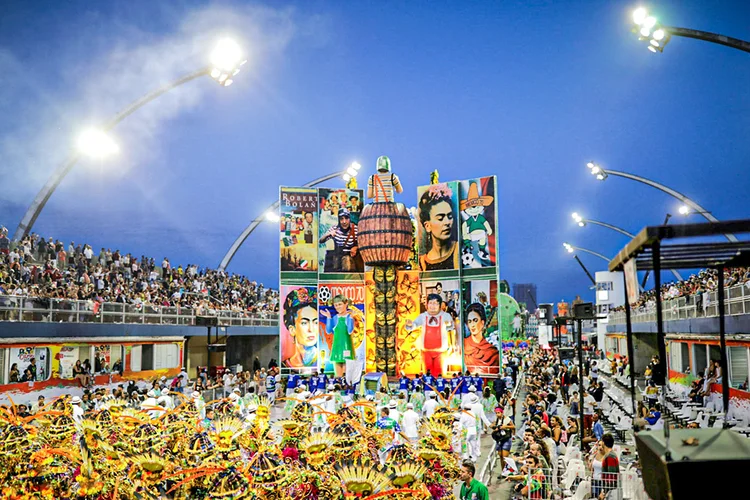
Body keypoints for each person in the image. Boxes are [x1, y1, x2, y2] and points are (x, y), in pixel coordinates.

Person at [405, 293, 457, 377]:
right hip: (426, 352)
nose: (433, 306)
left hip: (441, 352)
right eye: (431, 303)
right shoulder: (422, 316)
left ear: (440, 305)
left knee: (440, 375)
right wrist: (410, 324)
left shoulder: (446, 316)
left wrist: (449, 325)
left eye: (435, 303)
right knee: (427, 376)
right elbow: (414, 325)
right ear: (427, 305)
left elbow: (451, 329)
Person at [418, 183, 459, 270]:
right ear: (427, 226)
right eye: (440, 218)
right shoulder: (421, 263)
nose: (447, 222)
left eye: (450, 217)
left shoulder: (460, 249)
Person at [321, 294, 357, 378]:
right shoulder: (335, 317)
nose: (338, 307)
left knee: (347, 375)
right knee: (338, 375)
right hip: (336, 347)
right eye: (336, 305)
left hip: (346, 346)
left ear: (346, 304)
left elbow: (350, 330)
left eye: (340, 304)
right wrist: (329, 318)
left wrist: (351, 318)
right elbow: (328, 331)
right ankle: (337, 388)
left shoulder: (349, 316)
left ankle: (347, 389)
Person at [282, 288, 320, 368]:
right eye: (304, 323)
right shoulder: (285, 365)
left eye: (315, 322)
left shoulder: (323, 360)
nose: (311, 329)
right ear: (292, 329)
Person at [463, 303, 500, 375]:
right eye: (469, 321)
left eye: (475, 320)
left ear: (482, 322)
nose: (472, 325)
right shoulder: (463, 344)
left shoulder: (491, 351)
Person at [600, 433, 620, 499]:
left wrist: (605, 492)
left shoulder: (610, 456)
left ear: (603, 443)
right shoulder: (609, 455)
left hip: (610, 492)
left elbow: (611, 477)